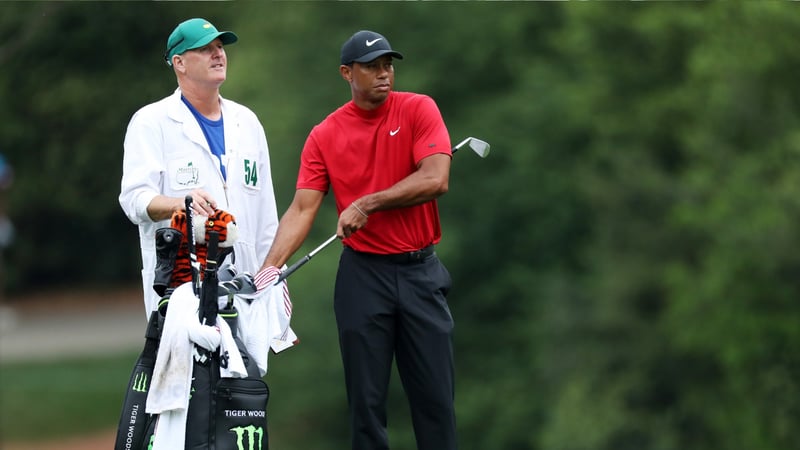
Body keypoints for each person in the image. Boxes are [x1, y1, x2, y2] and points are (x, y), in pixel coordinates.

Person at [254, 30, 457, 450]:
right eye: (372, 67)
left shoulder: (418, 109)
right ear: (347, 73)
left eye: (388, 65)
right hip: (363, 278)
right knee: (366, 406)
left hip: (420, 272)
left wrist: (368, 203)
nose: (384, 74)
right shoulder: (325, 134)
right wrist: (269, 270)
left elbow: (435, 179)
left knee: (435, 401)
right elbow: (302, 208)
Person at [119, 18, 279, 317]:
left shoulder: (247, 122)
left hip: (247, 288)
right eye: (205, 49)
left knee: (248, 364)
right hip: (180, 289)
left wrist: (273, 282)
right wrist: (181, 204)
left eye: (220, 47)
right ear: (179, 62)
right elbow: (134, 200)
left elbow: (266, 216)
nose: (218, 54)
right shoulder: (151, 121)